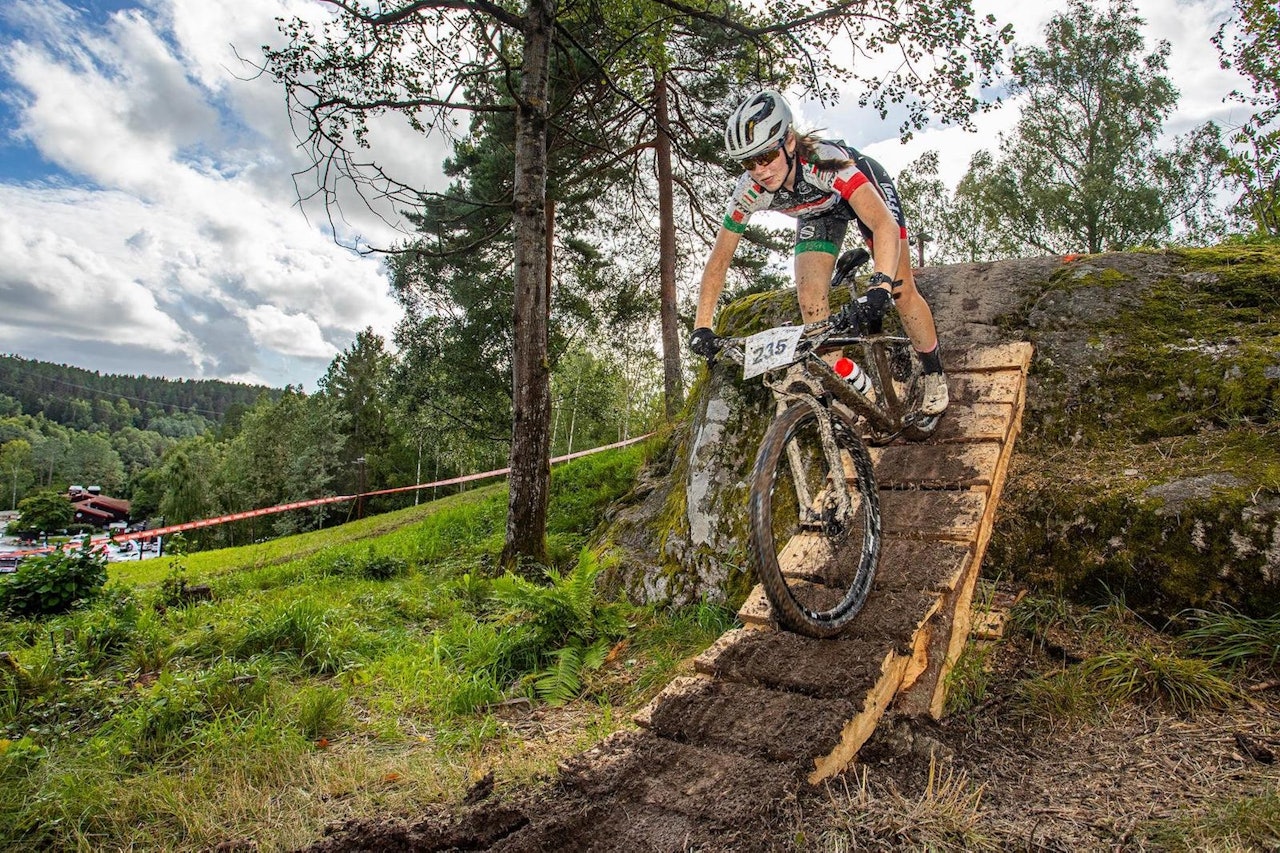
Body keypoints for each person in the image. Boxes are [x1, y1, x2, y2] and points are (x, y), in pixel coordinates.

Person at [689, 89, 949, 416]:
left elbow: (883, 225)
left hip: (864, 193)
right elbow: (719, 259)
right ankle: (853, 387)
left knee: (901, 289)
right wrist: (702, 326)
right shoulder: (749, 190)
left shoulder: (823, 164)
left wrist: (879, 287)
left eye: (766, 156)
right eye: (748, 162)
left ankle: (933, 371)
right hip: (818, 214)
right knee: (812, 309)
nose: (759, 170)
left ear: (789, 143)